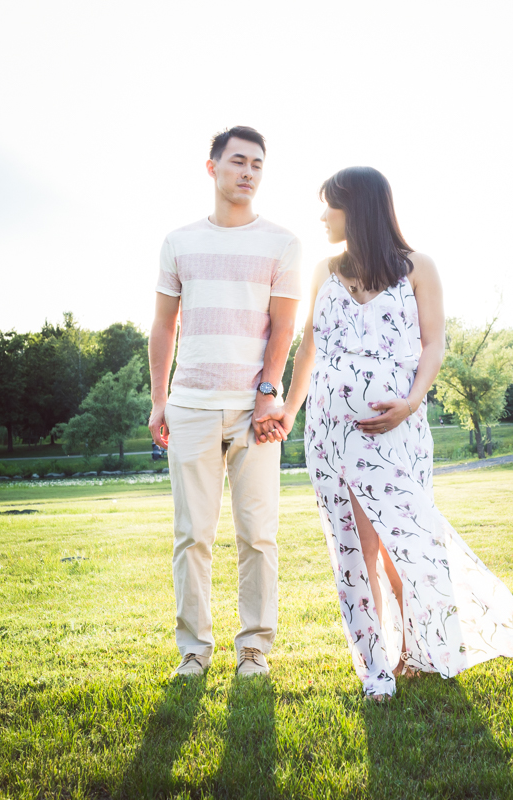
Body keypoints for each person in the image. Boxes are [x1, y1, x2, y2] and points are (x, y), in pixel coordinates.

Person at [258, 167, 513, 699]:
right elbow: (307, 349)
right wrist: (290, 410)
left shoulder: (418, 268)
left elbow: (434, 345)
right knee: (355, 549)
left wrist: (411, 403)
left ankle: (419, 649)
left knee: (404, 544)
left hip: (396, 432)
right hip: (330, 431)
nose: (321, 217)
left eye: (329, 206)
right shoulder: (322, 271)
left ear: (358, 208)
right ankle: (375, 669)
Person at [148, 126, 301, 679]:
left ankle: (254, 647)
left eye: (258, 164)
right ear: (211, 168)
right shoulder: (178, 241)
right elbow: (164, 326)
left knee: (258, 534)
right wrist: (158, 401)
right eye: (238, 161)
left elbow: (284, 326)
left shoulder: (282, 242)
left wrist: (267, 393)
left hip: (253, 411)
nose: (249, 172)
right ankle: (194, 648)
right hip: (188, 406)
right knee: (193, 534)